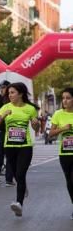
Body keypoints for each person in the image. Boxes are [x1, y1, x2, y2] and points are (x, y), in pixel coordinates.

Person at [0, 82, 39, 217]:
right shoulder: (5, 107)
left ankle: (19, 203)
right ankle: (22, 187)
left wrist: (35, 125)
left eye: (12, 92)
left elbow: (36, 129)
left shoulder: (30, 109)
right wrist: (2, 116)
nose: (10, 95)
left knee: (20, 173)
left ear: (21, 94)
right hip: (9, 146)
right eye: (9, 93)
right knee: (17, 174)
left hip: (25, 146)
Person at [48, 87, 73, 218]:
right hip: (64, 153)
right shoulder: (58, 114)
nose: (65, 101)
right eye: (63, 98)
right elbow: (51, 134)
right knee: (69, 181)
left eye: (68, 98)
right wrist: (63, 128)